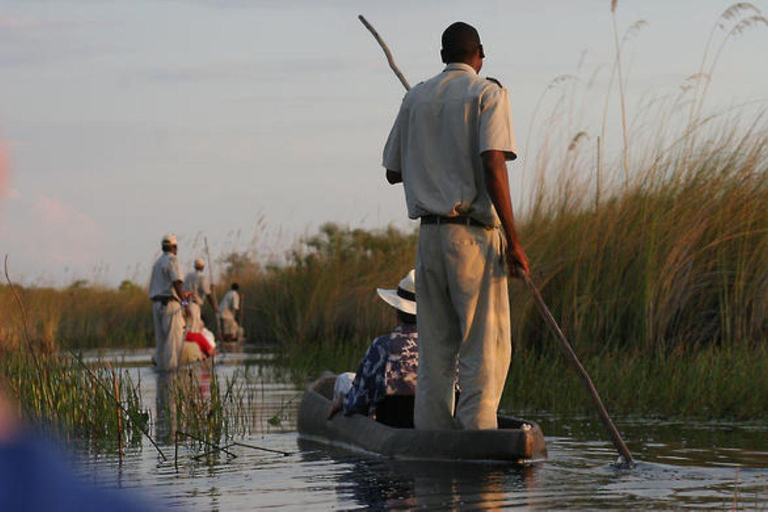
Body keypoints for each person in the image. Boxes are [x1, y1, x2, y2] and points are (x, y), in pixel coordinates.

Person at [382, 22, 530, 430]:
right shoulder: (488, 93)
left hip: (429, 239)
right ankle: (476, 436)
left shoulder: (415, 98)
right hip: (472, 237)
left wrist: (428, 146)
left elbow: (393, 172)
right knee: (485, 348)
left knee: (435, 349)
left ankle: (432, 437)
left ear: (442, 55)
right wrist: (514, 241)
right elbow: (493, 164)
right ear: (480, 54)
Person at [328, 270, 419, 428]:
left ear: (397, 312)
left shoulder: (382, 346)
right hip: (430, 423)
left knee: (344, 379)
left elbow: (358, 402)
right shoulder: (444, 347)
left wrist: (344, 402)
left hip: (391, 424)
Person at [148, 234, 189, 370]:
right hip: (170, 306)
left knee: (161, 342)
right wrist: (185, 304)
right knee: (173, 342)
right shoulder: (173, 260)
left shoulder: (157, 263)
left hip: (157, 305)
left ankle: (161, 372)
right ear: (174, 248)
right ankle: (171, 375)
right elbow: (177, 283)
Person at [183, 258, 218, 333]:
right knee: (193, 330)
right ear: (203, 267)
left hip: (185, 305)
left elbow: (185, 294)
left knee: (186, 328)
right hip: (194, 306)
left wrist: (184, 306)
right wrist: (214, 307)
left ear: (195, 266)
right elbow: (208, 294)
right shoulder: (202, 277)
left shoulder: (188, 276)